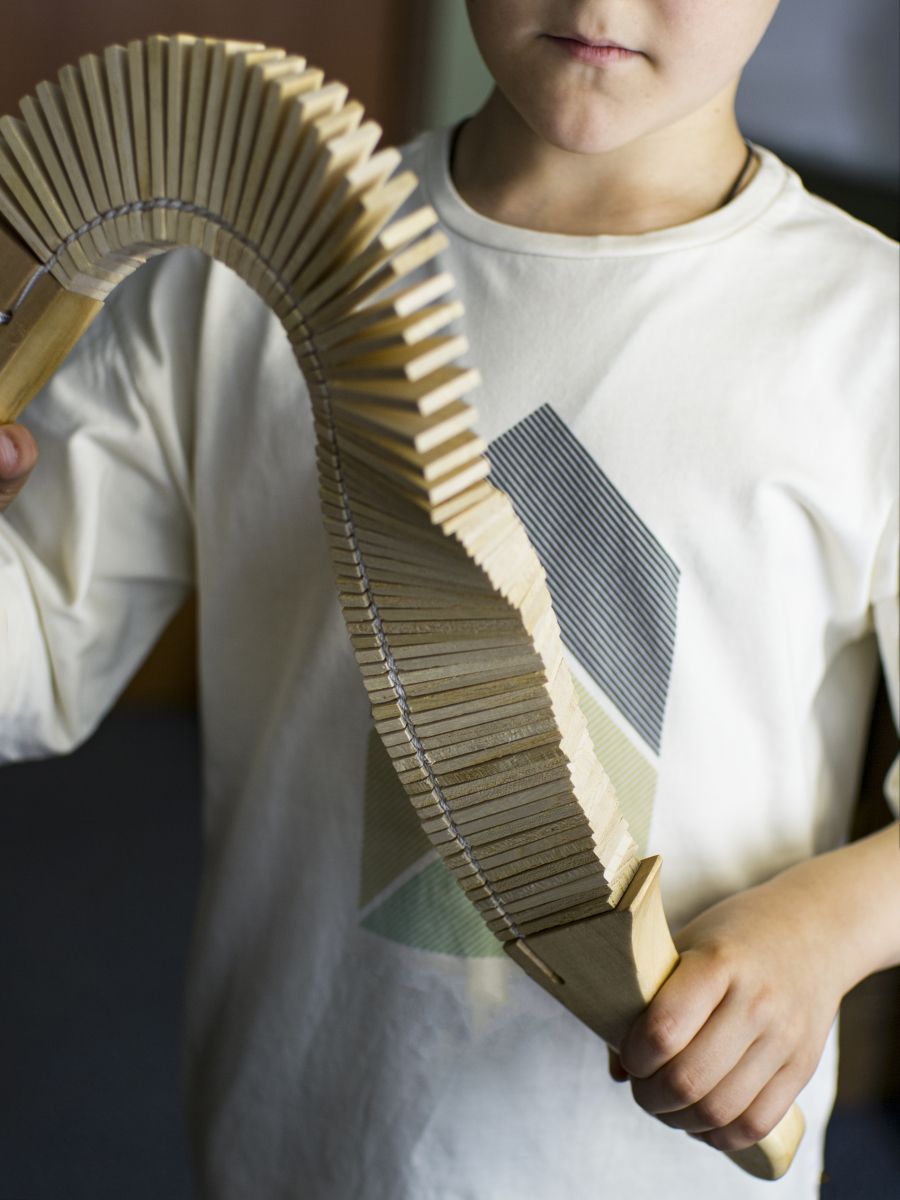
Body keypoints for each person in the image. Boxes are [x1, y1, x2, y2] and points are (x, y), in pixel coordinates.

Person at [1, 2, 897, 1196]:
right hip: (299, 1132)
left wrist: (827, 928)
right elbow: (35, 645)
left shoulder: (869, 336)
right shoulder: (234, 277)